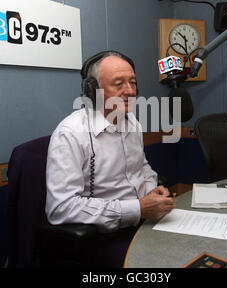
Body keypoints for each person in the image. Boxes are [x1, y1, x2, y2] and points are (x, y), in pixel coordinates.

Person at [45, 50, 175, 267]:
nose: (130, 91)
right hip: (103, 238)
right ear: (92, 90)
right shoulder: (70, 133)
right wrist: (137, 209)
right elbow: (61, 208)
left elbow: (142, 167)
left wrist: (152, 189)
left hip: (144, 224)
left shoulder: (131, 122)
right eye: (119, 83)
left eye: (133, 82)